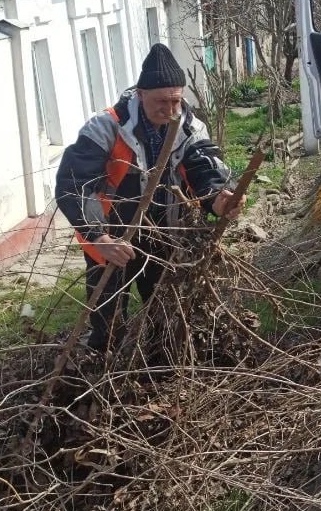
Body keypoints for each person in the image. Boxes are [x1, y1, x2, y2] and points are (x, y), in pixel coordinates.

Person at [56, 43, 241, 353]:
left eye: (175, 101)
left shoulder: (189, 127)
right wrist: (99, 237)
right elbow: (74, 185)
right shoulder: (106, 128)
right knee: (108, 319)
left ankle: (159, 368)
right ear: (140, 94)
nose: (169, 110)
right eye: (160, 101)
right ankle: (106, 368)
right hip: (113, 237)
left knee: (165, 315)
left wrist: (218, 199)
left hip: (165, 236)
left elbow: (204, 168)